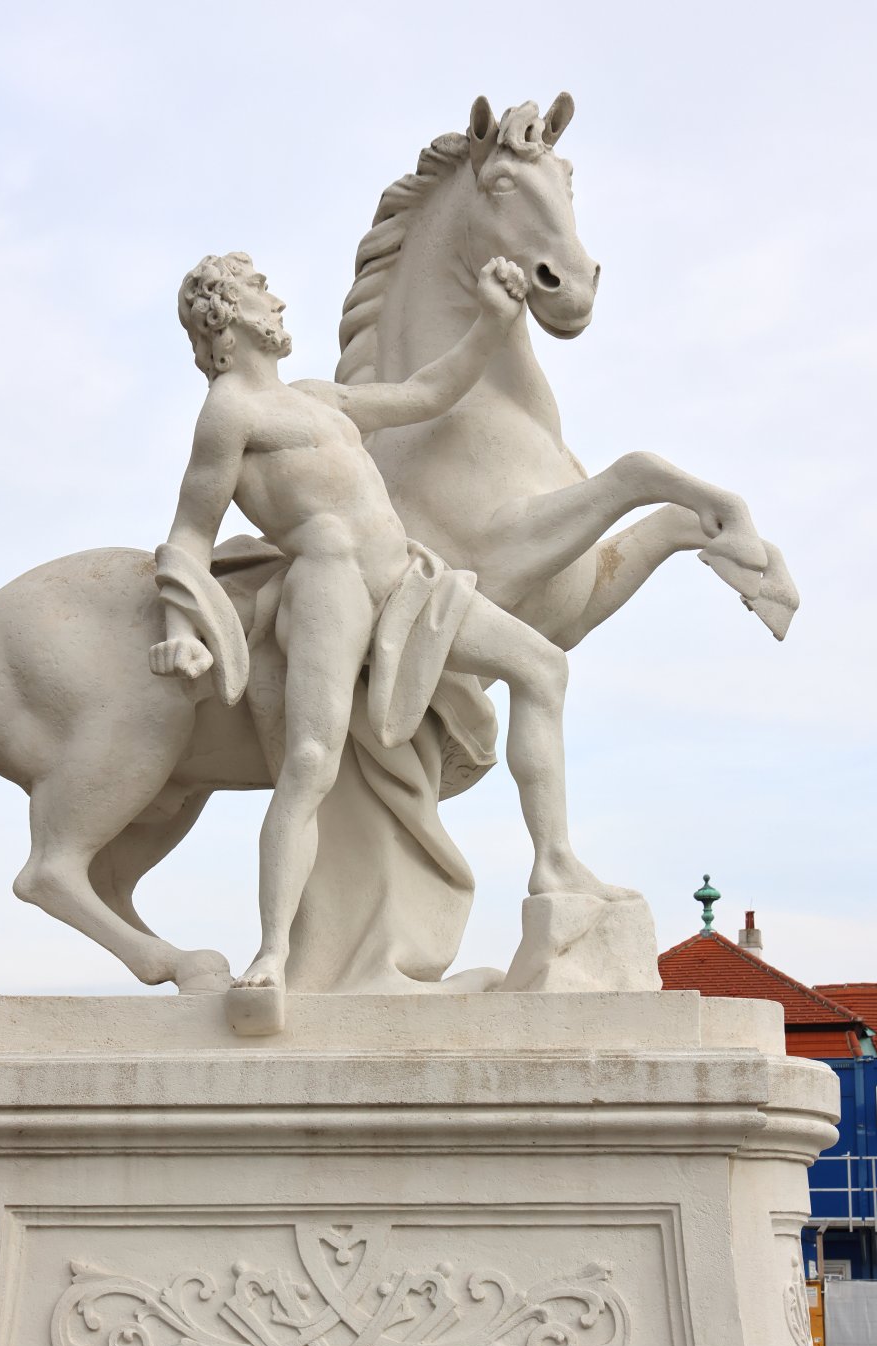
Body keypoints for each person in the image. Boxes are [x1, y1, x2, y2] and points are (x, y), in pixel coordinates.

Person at [151, 250, 605, 1016]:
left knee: (542, 668)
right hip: (329, 583)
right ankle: (274, 955)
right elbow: (190, 533)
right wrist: (181, 624)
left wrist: (496, 318)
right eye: (261, 291)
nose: (278, 302)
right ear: (225, 314)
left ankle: (556, 863)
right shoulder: (232, 412)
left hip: (404, 578)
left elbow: (428, 391)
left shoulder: (319, 399)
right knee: (309, 762)